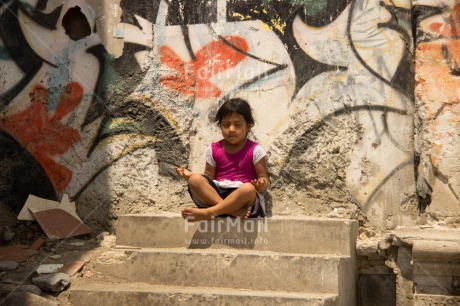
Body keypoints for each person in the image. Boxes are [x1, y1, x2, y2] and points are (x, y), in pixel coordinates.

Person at [176, 98, 269, 222]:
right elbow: (208, 178)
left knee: (249, 189)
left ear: (248, 126)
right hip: (218, 195)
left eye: (238, 124)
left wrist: (261, 184)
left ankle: (209, 212)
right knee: (194, 180)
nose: (231, 129)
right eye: (226, 124)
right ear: (220, 125)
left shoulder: (255, 150)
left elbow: (263, 182)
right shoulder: (213, 149)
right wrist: (190, 175)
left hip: (242, 199)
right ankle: (232, 211)